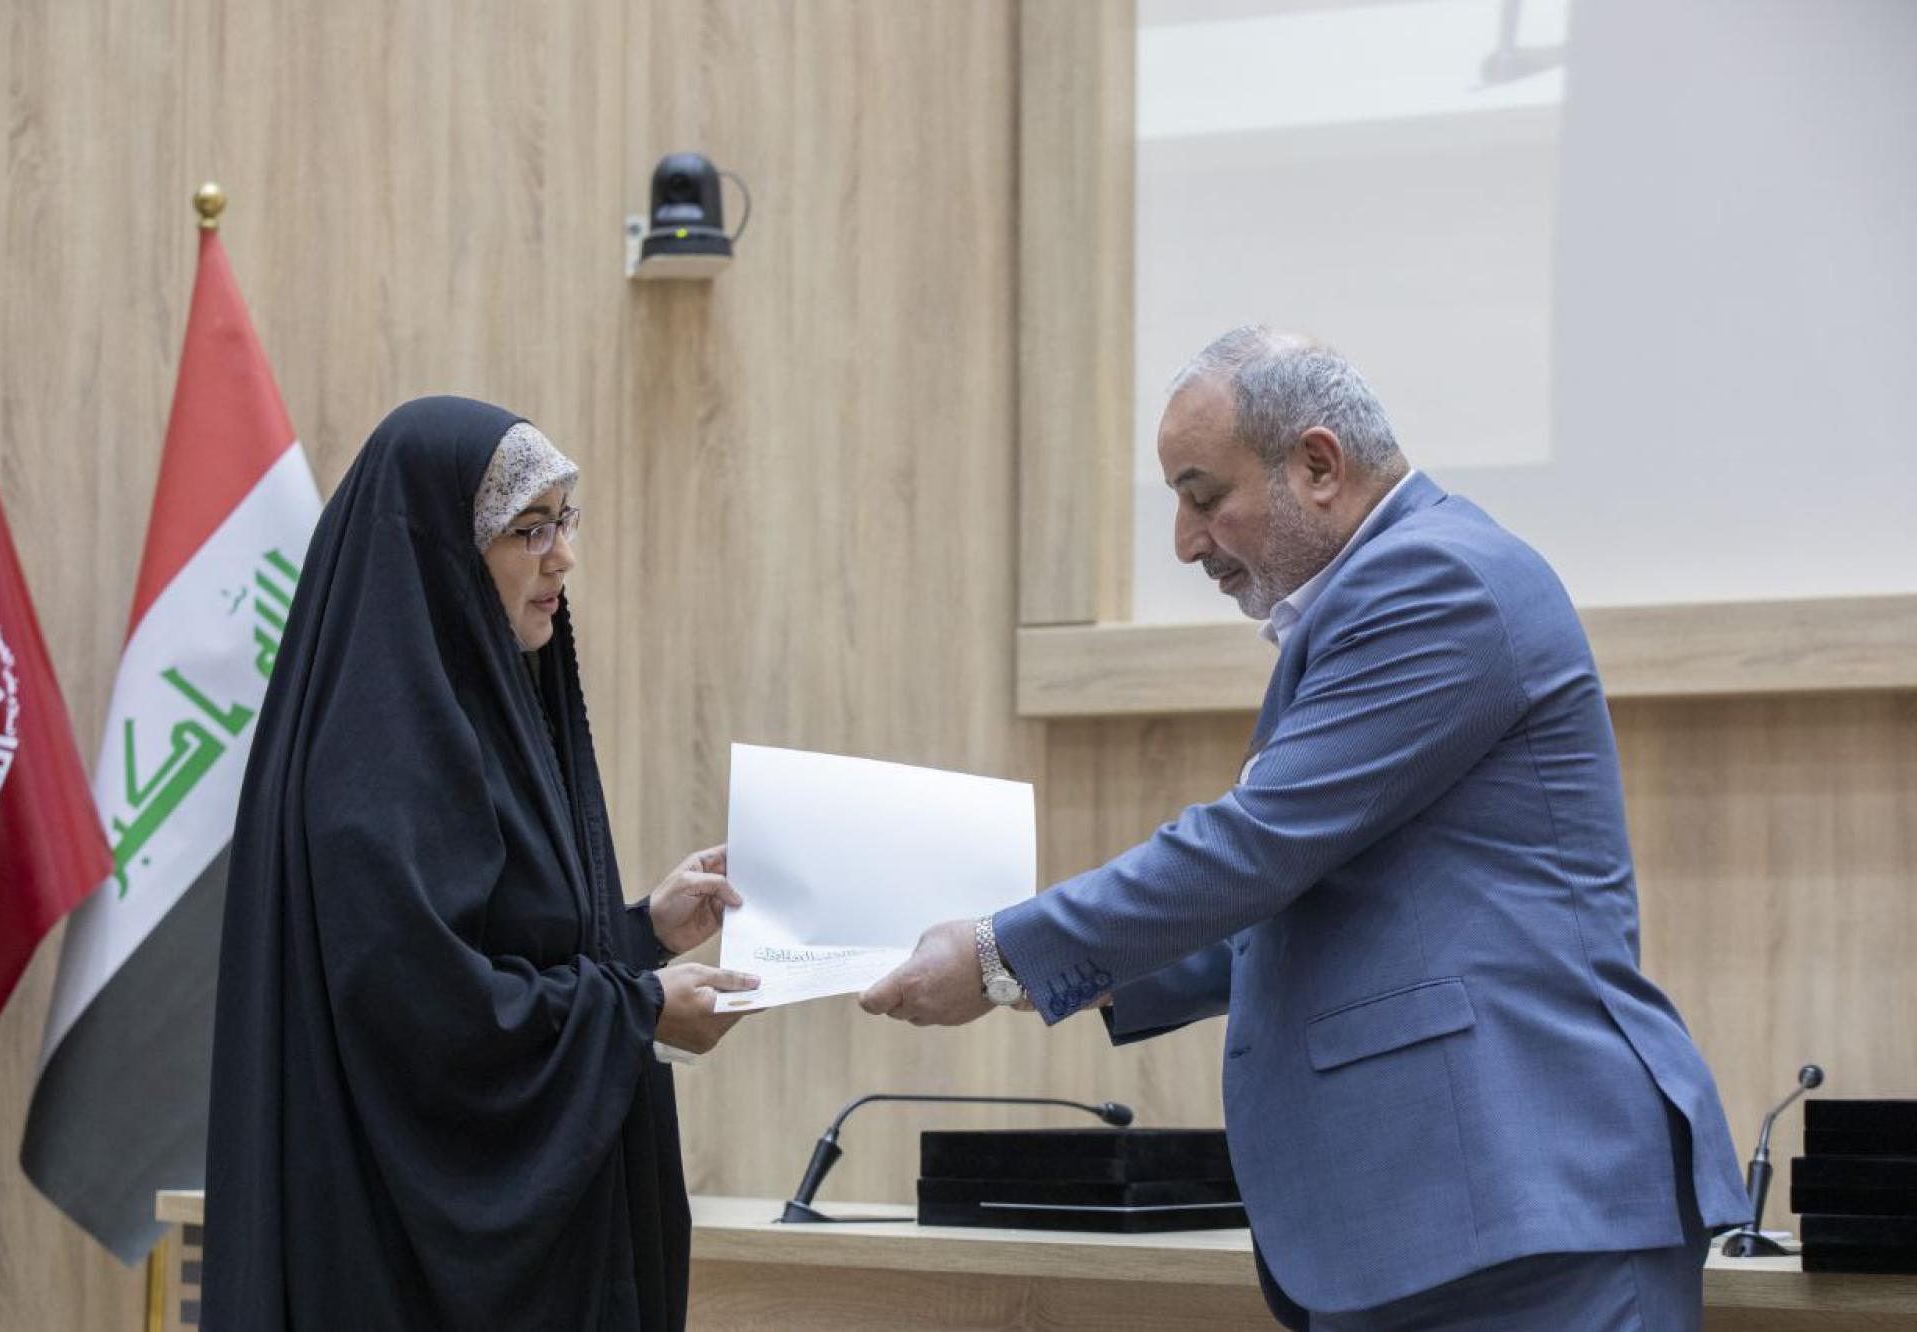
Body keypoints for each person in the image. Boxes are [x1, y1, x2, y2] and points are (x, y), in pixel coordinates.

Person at [861, 329, 1750, 1330]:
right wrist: (1064, 969)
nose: (1185, 542)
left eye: (1203, 497)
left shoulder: (1436, 581)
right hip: (1443, 1222)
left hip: (1525, 1206)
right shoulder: (1387, 590)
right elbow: (1313, 900)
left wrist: (997, 954)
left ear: (1317, 466)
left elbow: (1255, 849)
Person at [203, 396, 756, 1329]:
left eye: (566, 520)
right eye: (528, 529)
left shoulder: (480, 718)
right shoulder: (376, 757)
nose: (562, 556)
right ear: (442, 552)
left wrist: (641, 935)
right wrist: (638, 1009)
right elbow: (426, 1016)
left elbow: (498, 947)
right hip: (394, 1271)